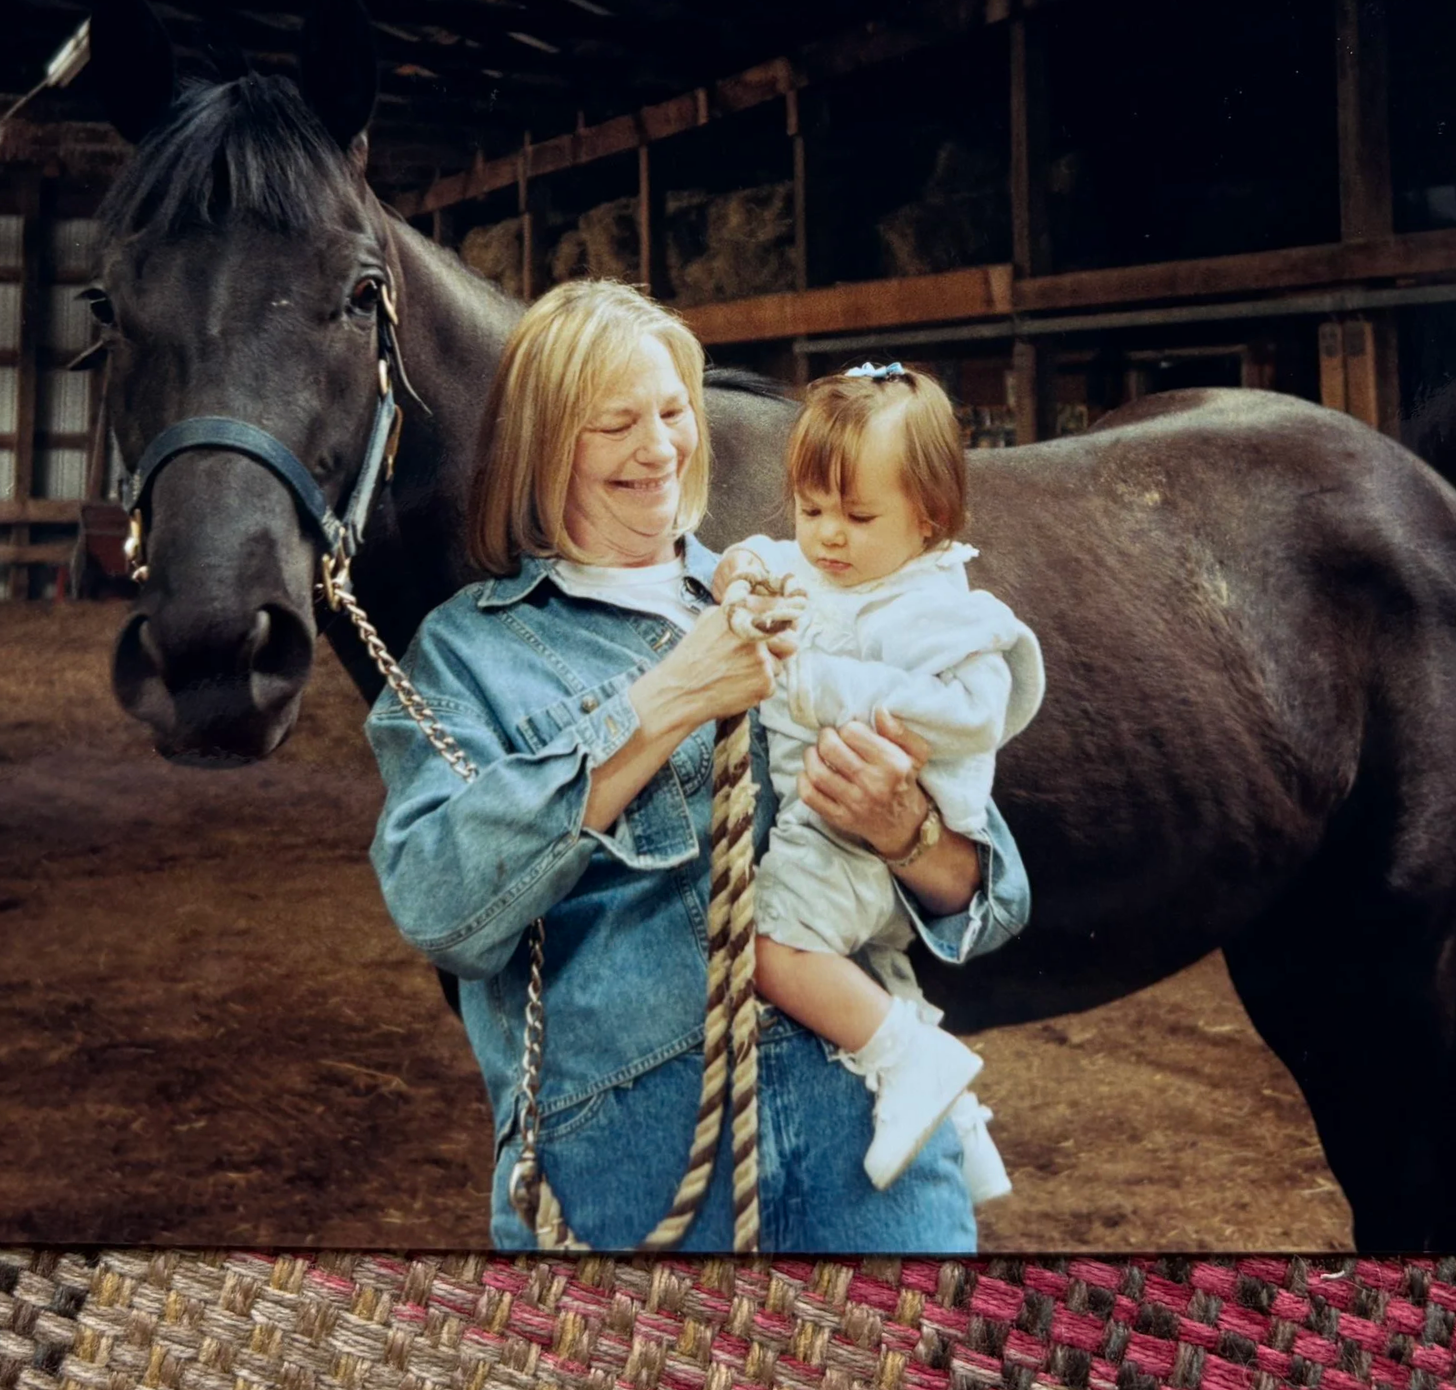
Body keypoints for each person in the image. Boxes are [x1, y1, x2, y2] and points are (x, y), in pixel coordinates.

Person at [364, 279, 1033, 1251]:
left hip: (863, 1133)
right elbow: (440, 906)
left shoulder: (801, 593)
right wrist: (670, 695)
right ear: (543, 446)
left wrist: (906, 832)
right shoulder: (469, 657)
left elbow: (989, 895)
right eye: (615, 424)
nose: (659, 449)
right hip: (630, 1157)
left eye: (674, 413)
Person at [714, 363, 1043, 1204]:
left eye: (858, 516)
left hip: (860, 834)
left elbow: (976, 710)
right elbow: (753, 555)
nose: (828, 536)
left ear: (928, 517)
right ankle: (958, 1125)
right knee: (863, 968)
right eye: (811, 508)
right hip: (827, 824)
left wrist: (820, 683)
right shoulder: (823, 567)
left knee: (768, 946)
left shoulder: (937, 610)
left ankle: (911, 1060)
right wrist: (740, 574)